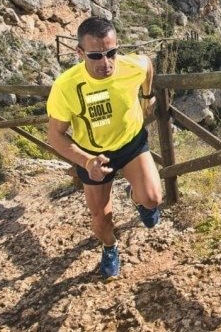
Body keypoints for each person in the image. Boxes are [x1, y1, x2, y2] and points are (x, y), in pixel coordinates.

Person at [46, 16, 163, 279]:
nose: (106, 62)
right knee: (101, 219)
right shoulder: (66, 87)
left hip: (131, 143)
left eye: (112, 53)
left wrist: (146, 95)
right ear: (79, 53)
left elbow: (147, 64)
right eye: (96, 56)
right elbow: (55, 136)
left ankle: (138, 198)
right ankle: (110, 247)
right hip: (93, 155)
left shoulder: (131, 66)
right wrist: (86, 161)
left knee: (154, 199)